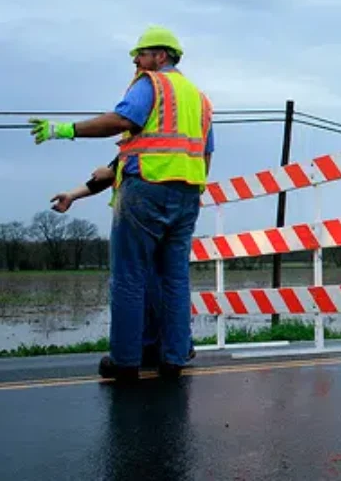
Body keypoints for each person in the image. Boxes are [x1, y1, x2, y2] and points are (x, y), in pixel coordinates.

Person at [30, 25, 214, 381]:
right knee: (174, 279)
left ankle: (126, 360)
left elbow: (122, 120)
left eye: (141, 53)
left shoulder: (152, 84)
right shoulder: (200, 100)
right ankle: (173, 357)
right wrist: (193, 190)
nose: (135, 60)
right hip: (188, 194)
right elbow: (204, 153)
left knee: (130, 276)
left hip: (146, 189)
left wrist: (65, 130)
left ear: (161, 56)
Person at [50, 157, 197, 366]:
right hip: (167, 209)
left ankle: (143, 352)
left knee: (143, 286)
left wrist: (106, 174)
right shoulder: (148, 149)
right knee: (163, 287)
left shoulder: (139, 147)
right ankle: (172, 348)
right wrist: (73, 195)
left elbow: (106, 176)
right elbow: (104, 177)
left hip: (142, 218)